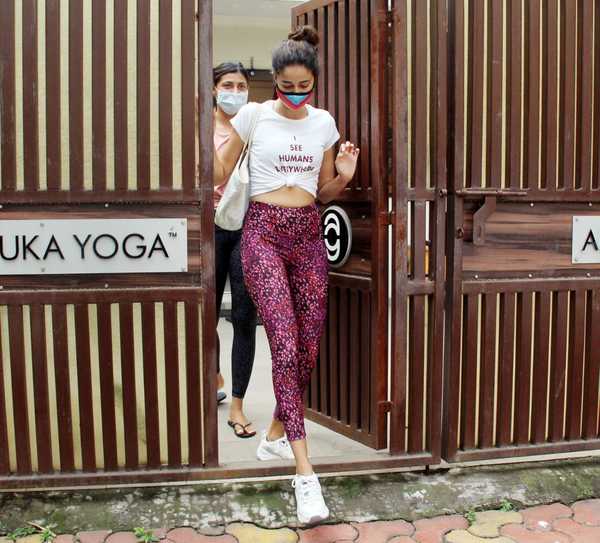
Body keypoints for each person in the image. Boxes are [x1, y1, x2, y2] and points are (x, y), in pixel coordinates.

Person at [213, 27, 359, 524]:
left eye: (304, 88)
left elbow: (325, 192)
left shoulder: (323, 123)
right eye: (286, 87)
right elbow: (217, 173)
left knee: (308, 345)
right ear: (273, 82)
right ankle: (305, 474)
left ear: (314, 83)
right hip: (263, 234)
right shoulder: (253, 115)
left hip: (307, 234)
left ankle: (276, 434)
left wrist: (343, 173)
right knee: (282, 341)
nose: (295, 96)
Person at [212, 62, 258, 439]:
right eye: (228, 84)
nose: (235, 91)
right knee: (204, 312)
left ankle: (238, 405)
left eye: (242, 85)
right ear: (213, 89)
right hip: (207, 226)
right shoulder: (199, 127)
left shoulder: (256, 127)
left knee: (244, 315)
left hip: (246, 225)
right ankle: (210, 376)